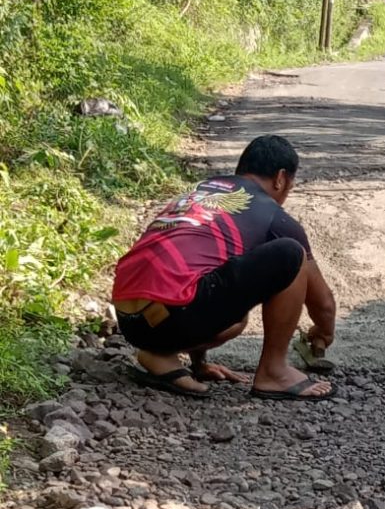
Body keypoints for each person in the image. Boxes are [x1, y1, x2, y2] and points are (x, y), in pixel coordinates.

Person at [112, 135, 336, 401]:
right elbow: (323, 304)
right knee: (291, 253)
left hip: (130, 320)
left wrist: (199, 364)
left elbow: (199, 266)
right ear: (281, 178)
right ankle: (274, 372)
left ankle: (160, 354)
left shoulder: (204, 190)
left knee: (232, 311)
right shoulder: (273, 215)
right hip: (174, 316)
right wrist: (323, 333)